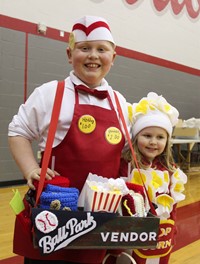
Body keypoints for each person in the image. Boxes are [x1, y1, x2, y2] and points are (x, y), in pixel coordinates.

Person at [8, 15, 132, 264]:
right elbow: (18, 131)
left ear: (113, 58)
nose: (93, 56)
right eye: (84, 48)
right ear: (69, 54)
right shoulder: (50, 93)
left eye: (101, 50)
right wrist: (31, 168)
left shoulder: (120, 101)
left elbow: (128, 151)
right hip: (54, 212)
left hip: (100, 217)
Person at [122, 92, 187, 264]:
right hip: (130, 235)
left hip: (161, 236)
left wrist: (171, 231)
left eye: (160, 137)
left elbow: (172, 207)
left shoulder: (171, 171)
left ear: (167, 141)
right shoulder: (126, 164)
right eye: (147, 135)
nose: (153, 142)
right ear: (136, 137)